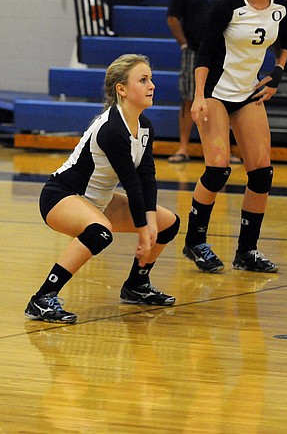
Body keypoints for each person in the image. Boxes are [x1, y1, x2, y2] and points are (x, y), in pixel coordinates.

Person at [25, 54, 180, 324]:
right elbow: (130, 182)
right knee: (100, 233)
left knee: (168, 224)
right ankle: (42, 298)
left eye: (151, 79)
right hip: (62, 196)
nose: (152, 85)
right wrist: (144, 234)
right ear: (121, 89)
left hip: (99, 201)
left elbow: (147, 177)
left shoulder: (144, 126)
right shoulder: (111, 128)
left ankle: (136, 285)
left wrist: (152, 224)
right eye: (143, 80)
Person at [182, 0, 287, 275]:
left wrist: (276, 75)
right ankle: (195, 241)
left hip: (247, 93)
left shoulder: (283, 4)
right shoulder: (229, 4)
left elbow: (284, 45)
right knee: (218, 169)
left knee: (262, 172)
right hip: (215, 91)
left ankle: (247, 251)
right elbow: (203, 53)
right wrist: (199, 96)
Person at [166, 0, 237, 164]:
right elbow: (172, 17)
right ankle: (184, 147)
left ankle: (225, 149)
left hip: (222, 52)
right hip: (194, 51)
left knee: (224, 99)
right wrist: (184, 44)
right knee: (188, 98)